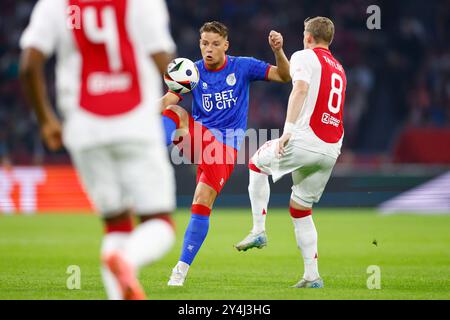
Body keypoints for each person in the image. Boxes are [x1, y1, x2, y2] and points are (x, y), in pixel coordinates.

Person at [19, 0, 176, 300]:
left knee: (116, 224)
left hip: (83, 128)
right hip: (135, 125)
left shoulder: (55, 4)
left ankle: (120, 272)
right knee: (160, 224)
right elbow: (163, 60)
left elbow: (29, 65)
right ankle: (128, 260)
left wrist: (46, 120)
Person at [160, 21, 291, 286]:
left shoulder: (242, 66)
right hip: (200, 142)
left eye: (215, 44)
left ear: (226, 46)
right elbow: (167, 103)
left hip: (225, 150)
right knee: (176, 112)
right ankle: (151, 147)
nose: (209, 49)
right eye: (205, 43)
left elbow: (284, 76)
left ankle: (180, 271)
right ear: (199, 44)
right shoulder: (191, 72)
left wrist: (278, 51)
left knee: (201, 203)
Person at [234, 16, 347, 289]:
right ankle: (312, 276)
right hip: (331, 147)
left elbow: (300, 88)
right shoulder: (339, 68)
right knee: (301, 208)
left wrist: (288, 130)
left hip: (306, 139)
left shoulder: (305, 56)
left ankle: (258, 230)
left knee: (257, 163)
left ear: (308, 36)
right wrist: (279, 52)